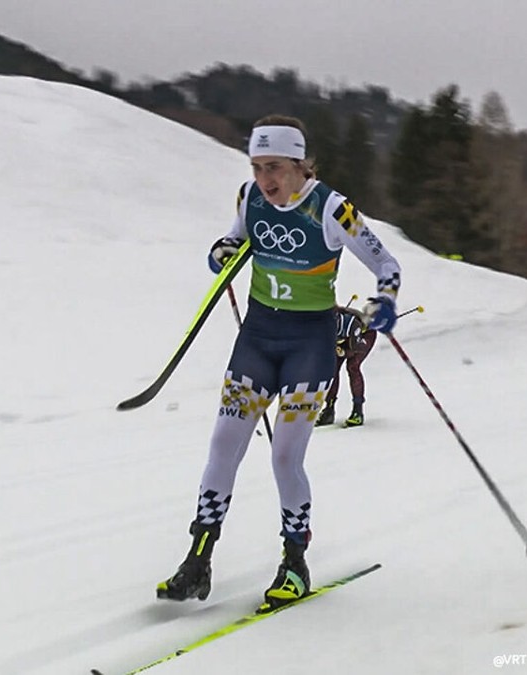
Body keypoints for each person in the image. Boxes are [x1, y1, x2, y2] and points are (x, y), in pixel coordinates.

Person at [156, 115, 402, 611]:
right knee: (224, 446)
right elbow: (233, 240)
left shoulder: (333, 208)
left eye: (274, 167)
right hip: (258, 338)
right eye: (257, 166)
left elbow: (387, 264)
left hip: (309, 347)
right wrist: (222, 251)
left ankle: (294, 562)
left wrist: (385, 300)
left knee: (285, 456)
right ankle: (197, 558)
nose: (265, 179)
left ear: (298, 164)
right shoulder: (249, 197)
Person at [317, 305, 377, 428]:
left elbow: (355, 348)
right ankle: (329, 409)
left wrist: (344, 352)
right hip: (344, 340)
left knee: (352, 366)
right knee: (332, 368)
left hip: (363, 336)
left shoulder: (350, 323)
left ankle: (358, 411)